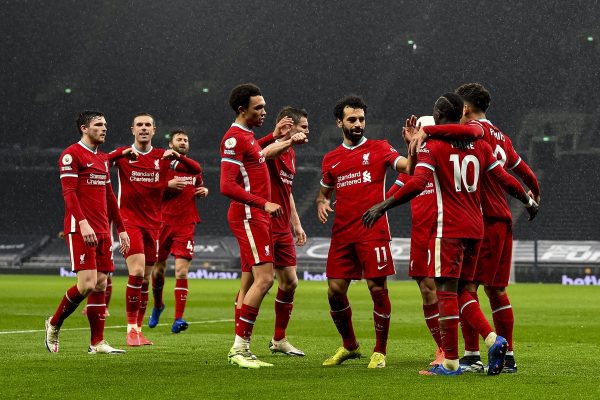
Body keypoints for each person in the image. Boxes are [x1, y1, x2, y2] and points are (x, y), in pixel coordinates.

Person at [362, 93, 539, 376]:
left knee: (447, 291)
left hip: (450, 228)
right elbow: (504, 177)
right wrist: (527, 201)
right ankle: (485, 346)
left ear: (439, 116)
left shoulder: (433, 147)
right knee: (466, 291)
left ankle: (455, 360)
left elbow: (418, 182)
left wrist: (384, 205)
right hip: (476, 228)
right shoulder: (480, 145)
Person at [315, 95, 416, 369]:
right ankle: (349, 345)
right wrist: (322, 203)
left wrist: (412, 147)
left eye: (361, 119)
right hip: (342, 233)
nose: (358, 123)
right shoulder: (331, 159)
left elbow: (410, 167)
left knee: (377, 288)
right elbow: (323, 193)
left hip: (373, 230)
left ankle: (380, 351)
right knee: (334, 291)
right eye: (352, 119)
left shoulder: (379, 148)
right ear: (340, 123)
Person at [454, 83, 541, 373]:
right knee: (497, 289)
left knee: (465, 288)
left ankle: (471, 356)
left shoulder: (473, 132)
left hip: (482, 219)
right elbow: (521, 167)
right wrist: (534, 190)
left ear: (465, 108)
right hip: (503, 219)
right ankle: (509, 357)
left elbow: (500, 173)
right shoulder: (501, 135)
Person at [220, 83, 307, 369]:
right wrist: (262, 203)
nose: (264, 112)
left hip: (258, 216)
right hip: (249, 214)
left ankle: (249, 345)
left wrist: (275, 135)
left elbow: (257, 152)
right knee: (263, 280)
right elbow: (226, 185)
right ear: (241, 110)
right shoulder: (233, 139)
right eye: (258, 108)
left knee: (270, 280)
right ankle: (239, 348)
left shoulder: (248, 137)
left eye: (264, 106)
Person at [109, 113, 201, 346]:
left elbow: (196, 168)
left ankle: (139, 331)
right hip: (129, 222)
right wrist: (117, 154)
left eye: (147, 125)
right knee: (138, 272)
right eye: (139, 125)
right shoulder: (124, 155)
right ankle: (130, 330)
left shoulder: (162, 156)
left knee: (146, 278)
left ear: (154, 130)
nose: (143, 128)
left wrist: (178, 155)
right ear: (132, 129)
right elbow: (100, 163)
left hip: (154, 224)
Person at [45, 110, 129, 354]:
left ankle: (97, 343)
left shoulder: (102, 158)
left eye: (105, 125)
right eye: (99, 125)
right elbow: (69, 192)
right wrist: (81, 222)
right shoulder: (71, 155)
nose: (104, 129)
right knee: (87, 284)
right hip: (81, 228)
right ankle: (53, 323)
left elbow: (110, 197)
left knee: (102, 283)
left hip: (103, 229)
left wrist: (121, 229)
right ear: (84, 128)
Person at [256, 107, 309, 356]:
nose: (307, 131)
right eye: (304, 127)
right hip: (261, 223)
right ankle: (240, 341)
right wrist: (287, 140)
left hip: (282, 226)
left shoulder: (292, 154)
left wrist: (295, 223)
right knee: (257, 282)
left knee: (290, 282)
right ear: (289, 125)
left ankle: (279, 339)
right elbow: (264, 154)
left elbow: (286, 192)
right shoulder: (275, 146)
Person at [148, 129, 208, 333]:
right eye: (179, 139)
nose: (183, 142)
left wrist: (203, 190)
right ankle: (158, 305)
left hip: (186, 223)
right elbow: (150, 189)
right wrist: (168, 184)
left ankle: (178, 319)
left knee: (181, 270)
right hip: (162, 223)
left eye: (186, 140)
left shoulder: (192, 167)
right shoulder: (162, 164)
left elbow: (199, 183)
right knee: (158, 269)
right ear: (170, 144)